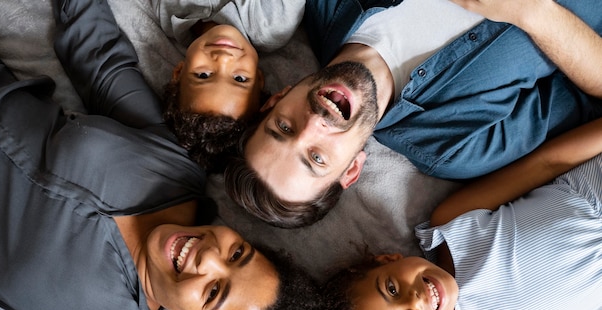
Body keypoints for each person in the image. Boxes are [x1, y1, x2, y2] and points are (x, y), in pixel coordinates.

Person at [0, 0, 324, 310]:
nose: (209, 255)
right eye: (238, 253)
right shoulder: (177, 168)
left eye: (214, 291)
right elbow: (100, 58)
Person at [224, 0, 602, 228]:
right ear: (352, 169)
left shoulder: (327, 8)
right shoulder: (454, 145)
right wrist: (531, 11)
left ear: (277, 99)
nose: (313, 124)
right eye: (317, 158)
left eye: (284, 127)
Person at [320, 115, 602, 310]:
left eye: (391, 287)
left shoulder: (452, 222)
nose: (413, 300)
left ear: (387, 259)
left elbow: (547, 163)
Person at [153, 0, 304, 171]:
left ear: (179, 72)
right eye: (239, 78)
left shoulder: (169, 11)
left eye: (203, 75)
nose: (224, 59)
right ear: (259, 78)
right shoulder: (273, 23)